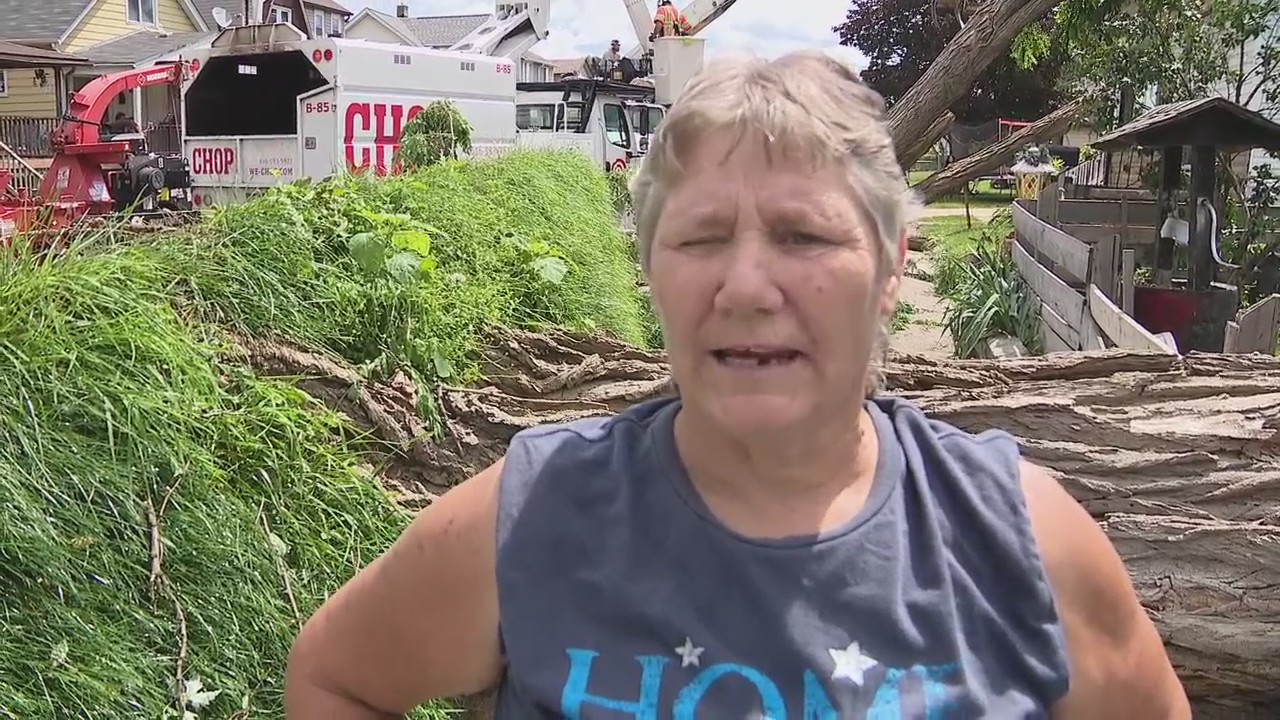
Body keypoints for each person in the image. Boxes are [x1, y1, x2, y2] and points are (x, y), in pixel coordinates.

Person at [283, 51, 1191, 718]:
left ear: (889, 270)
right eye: (703, 238)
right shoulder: (527, 520)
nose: (748, 287)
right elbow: (335, 681)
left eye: (803, 236)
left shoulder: (1026, 540)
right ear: (651, 271)